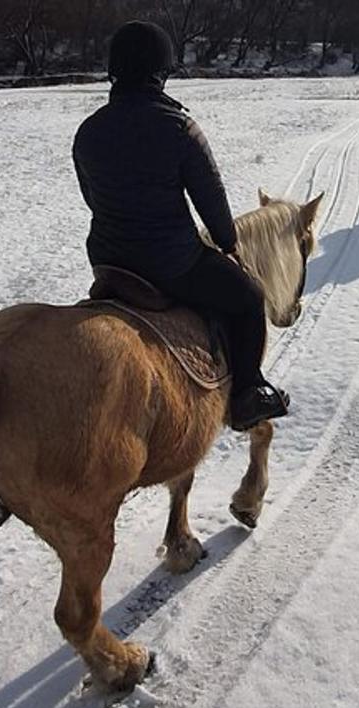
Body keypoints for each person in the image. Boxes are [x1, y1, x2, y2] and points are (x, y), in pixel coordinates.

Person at [72, 20, 288, 432]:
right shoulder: (180, 129)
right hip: (172, 265)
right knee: (247, 296)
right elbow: (214, 207)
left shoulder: (88, 132)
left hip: (109, 262)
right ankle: (247, 393)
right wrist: (226, 244)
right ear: (162, 71)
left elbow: (92, 199)